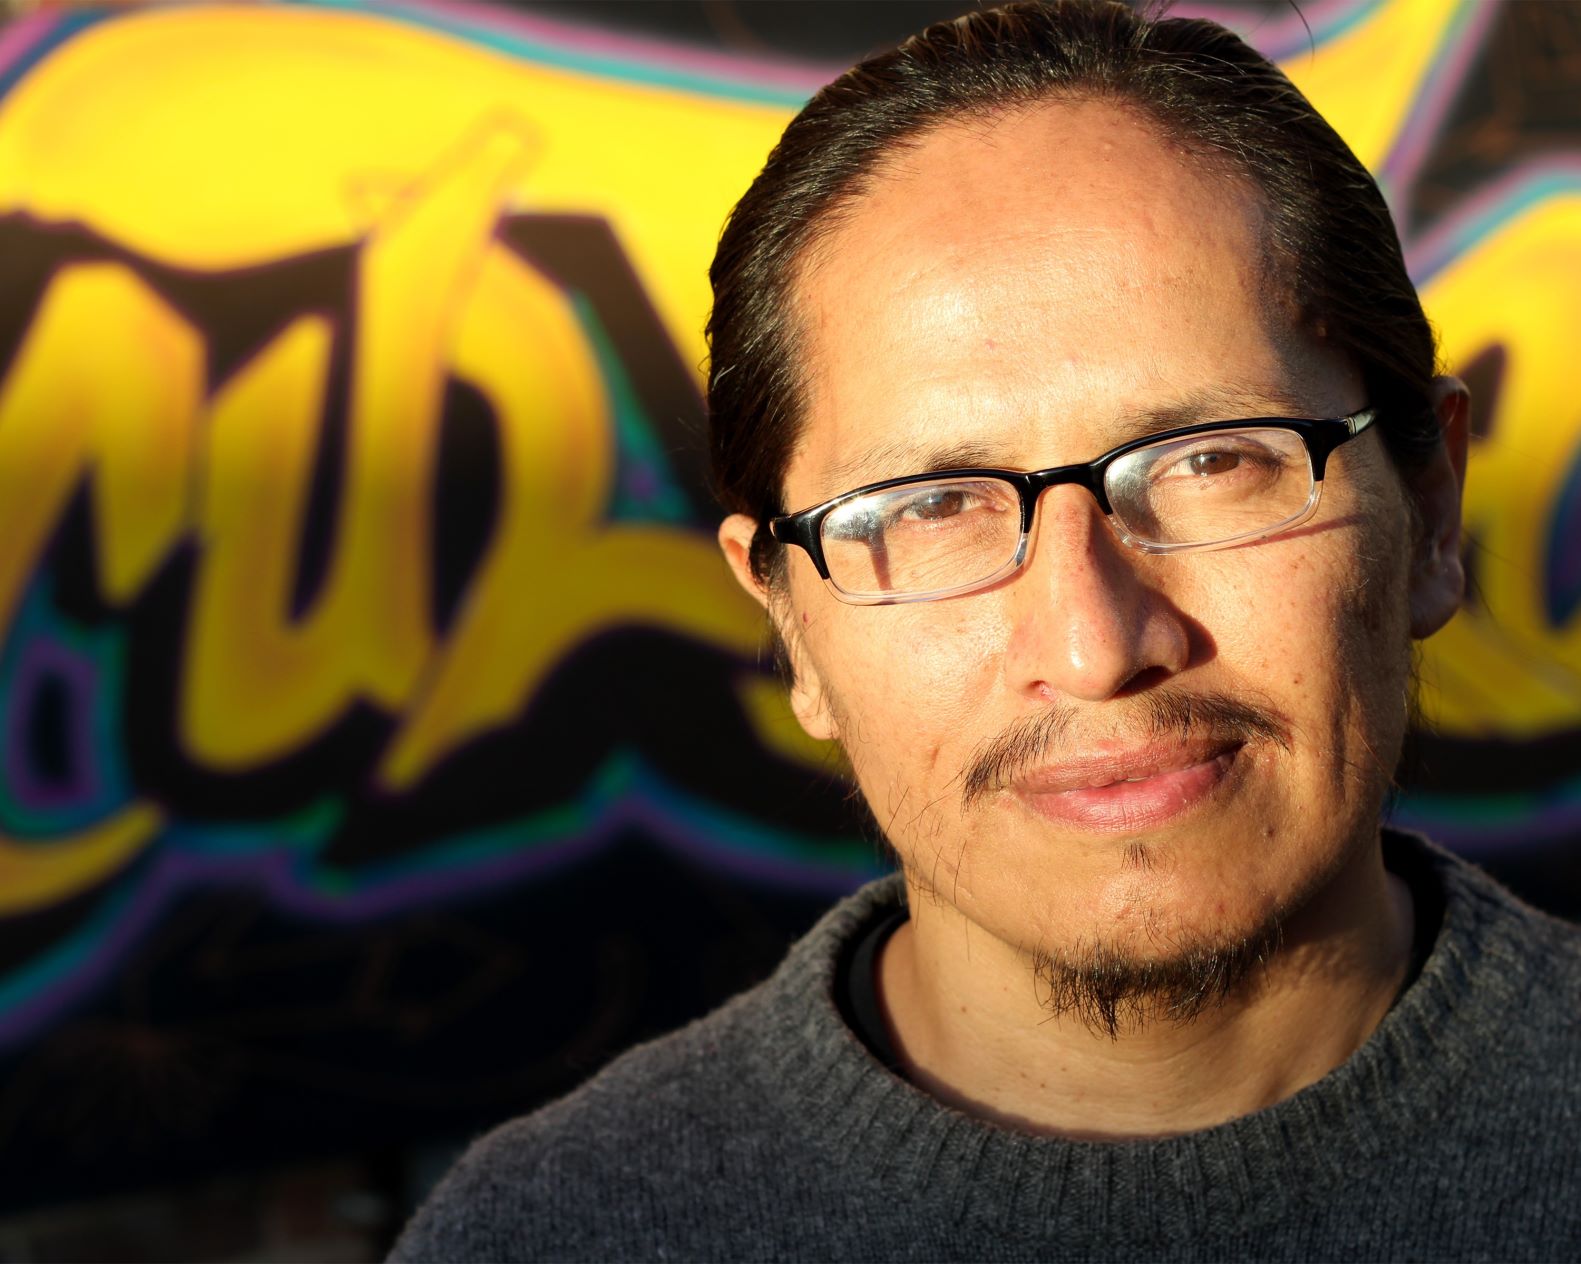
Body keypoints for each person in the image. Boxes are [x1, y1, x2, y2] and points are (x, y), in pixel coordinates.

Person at [391, 2, 1581, 1258]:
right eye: (933, 506)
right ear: (790, 619)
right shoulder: (544, 1234)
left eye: (1213, 462)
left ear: (1433, 515)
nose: (1094, 644)